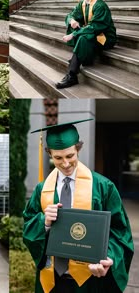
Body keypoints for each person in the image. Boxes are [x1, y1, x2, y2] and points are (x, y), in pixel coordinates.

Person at [23, 120, 134, 293]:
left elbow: (120, 232)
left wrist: (109, 257)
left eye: (70, 156)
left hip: (89, 280)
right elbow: (28, 225)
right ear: (49, 154)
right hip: (50, 281)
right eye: (58, 158)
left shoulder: (103, 187)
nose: (65, 164)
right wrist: (44, 222)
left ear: (78, 149)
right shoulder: (42, 189)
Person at [56, 0, 117, 89]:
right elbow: (70, 15)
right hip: (94, 34)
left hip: (105, 38)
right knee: (77, 29)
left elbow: (94, 27)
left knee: (83, 37)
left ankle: (72, 75)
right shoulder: (82, 4)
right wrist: (72, 20)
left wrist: (73, 35)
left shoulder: (100, 5)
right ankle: (82, 59)